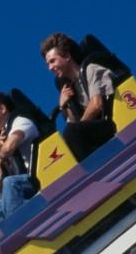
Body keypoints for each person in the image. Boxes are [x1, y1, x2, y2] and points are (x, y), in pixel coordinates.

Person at [41, 32, 116, 160]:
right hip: (92, 133)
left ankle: (94, 167)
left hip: (111, 126)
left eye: (53, 61)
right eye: (48, 64)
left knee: (71, 132)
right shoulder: (68, 87)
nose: (50, 68)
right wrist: (64, 105)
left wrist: (77, 128)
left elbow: (97, 104)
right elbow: (72, 122)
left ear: (66, 56)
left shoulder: (91, 69)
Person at [0, 93, 38, 223]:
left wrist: (0, 155)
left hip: (37, 175)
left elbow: (9, 147)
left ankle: (19, 225)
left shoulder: (21, 121)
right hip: (23, 184)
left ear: (2, 109)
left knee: (9, 183)